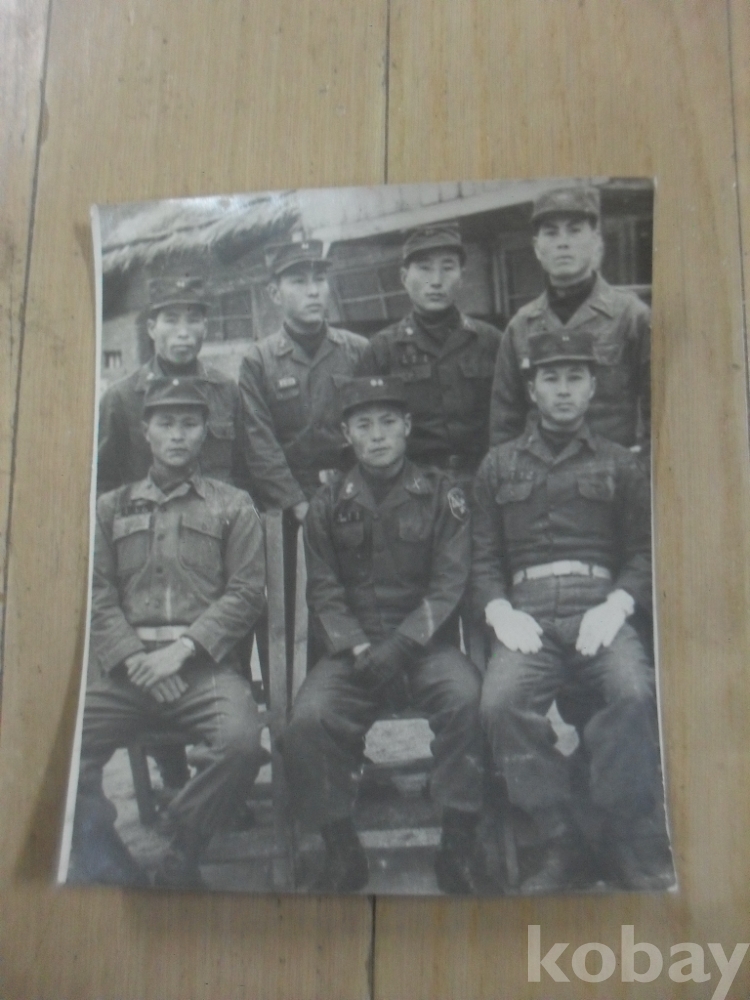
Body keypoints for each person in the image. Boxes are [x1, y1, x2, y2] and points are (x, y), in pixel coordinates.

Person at [473, 330, 673, 894]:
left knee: (633, 693)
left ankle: (617, 835)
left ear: (592, 387)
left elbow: (643, 550)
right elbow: (482, 556)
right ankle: (558, 837)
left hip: (598, 610)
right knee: (500, 704)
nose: (563, 390)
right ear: (531, 389)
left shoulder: (620, 464)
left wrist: (619, 603)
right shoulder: (497, 466)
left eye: (575, 378)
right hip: (527, 614)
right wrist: (498, 610)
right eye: (551, 378)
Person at [283, 376, 484, 894]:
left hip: (425, 646)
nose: (377, 435)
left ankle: (458, 847)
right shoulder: (328, 503)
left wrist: (402, 645)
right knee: (307, 720)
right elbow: (323, 590)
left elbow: (449, 584)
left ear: (408, 427)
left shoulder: (442, 495)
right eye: (364, 424)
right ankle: (341, 850)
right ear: (346, 433)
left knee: (467, 699)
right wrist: (356, 645)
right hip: (353, 653)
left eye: (388, 422)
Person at [70, 378, 267, 889]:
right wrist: (136, 658)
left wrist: (180, 652)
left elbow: (247, 593)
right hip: (127, 672)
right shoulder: (110, 507)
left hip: (202, 670)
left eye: (189, 424)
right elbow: (95, 593)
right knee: (57, 752)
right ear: (145, 431)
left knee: (242, 744)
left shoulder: (233, 505)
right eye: (166, 423)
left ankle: (181, 848)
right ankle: (111, 867)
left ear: (205, 433)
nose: (177, 435)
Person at [238, 240, 369, 664]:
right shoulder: (259, 361)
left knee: (358, 608)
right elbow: (259, 442)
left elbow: (373, 427)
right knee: (290, 618)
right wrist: (297, 504)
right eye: (298, 281)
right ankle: (292, 705)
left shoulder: (357, 351)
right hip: (287, 515)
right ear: (274, 293)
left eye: (320, 279)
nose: (313, 290)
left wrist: (356, 495)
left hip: (355, 504)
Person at [489, 185, 651, 453]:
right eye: (551, 233)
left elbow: (660, 411)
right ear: (537, 247)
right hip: (540, 472)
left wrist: (640, 467)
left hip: (611, 471)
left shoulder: (631, 317)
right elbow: (504, 422)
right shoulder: (521, 326)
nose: (562, 243)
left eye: (574, 231)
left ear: (596, 241)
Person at [357, 224, 501, 489]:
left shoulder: (491, 341)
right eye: (424, 268)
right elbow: (366, 428)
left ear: (462, 276)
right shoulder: (381, 350)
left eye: (447, 267)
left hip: (485, 480)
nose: (436, 280)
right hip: (415, 485)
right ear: (404, 277)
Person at [97, 275, 252, 495]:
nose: (183, 333)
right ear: (151, 328)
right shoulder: (121, 398)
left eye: (193, 320)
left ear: (205, 328)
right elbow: (102, 483)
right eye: (171, 320)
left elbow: (244, 471)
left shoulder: (226, 390)